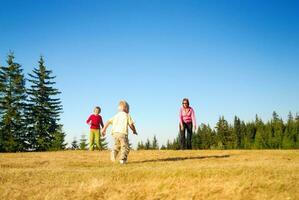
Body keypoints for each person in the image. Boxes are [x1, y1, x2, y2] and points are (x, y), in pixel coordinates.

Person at [102, 100, 137, 164]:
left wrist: (104, 129)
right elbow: (131, 124)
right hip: (122, 133)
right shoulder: (127, 115)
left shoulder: (116, 115)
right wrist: (134, 130)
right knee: (125, 147)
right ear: (126, 108)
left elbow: (108, 122)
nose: (129, 110)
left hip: (115, 134)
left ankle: (113, 154)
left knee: (117, 146)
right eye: (128, 109)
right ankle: (122, 159)